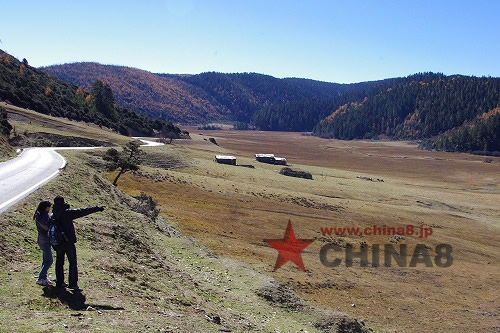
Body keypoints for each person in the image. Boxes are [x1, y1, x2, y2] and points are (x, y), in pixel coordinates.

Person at [51, 196, 104, 292]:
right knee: (73, 263)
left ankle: (60, 282)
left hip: (58, 243)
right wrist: (97, 208)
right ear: (63, 203)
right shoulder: (67, 213)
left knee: (59, 262)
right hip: (69, 242)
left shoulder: (52, 215)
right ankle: (73, 284)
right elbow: (83, 211)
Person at [34, 200, 53, 286]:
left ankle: (44, 277)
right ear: (46, 207)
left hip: (41, 240)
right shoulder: (43, 216)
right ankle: (41, 278)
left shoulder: (39, 214)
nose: (50, 208)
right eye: (49, 207)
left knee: (45, 260)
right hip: (44, 240)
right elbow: (46, 227)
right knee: (49, 260)